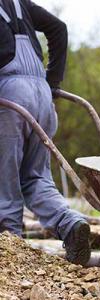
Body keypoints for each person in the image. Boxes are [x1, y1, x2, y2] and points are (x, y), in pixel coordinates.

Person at [0, 0, 91, 265]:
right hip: (41, 96)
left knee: (4, 179)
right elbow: (58, 28)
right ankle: (71, 224)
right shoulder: (19, 3)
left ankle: (9, 251)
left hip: (9, 97)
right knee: (36, 176)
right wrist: (52, 84)